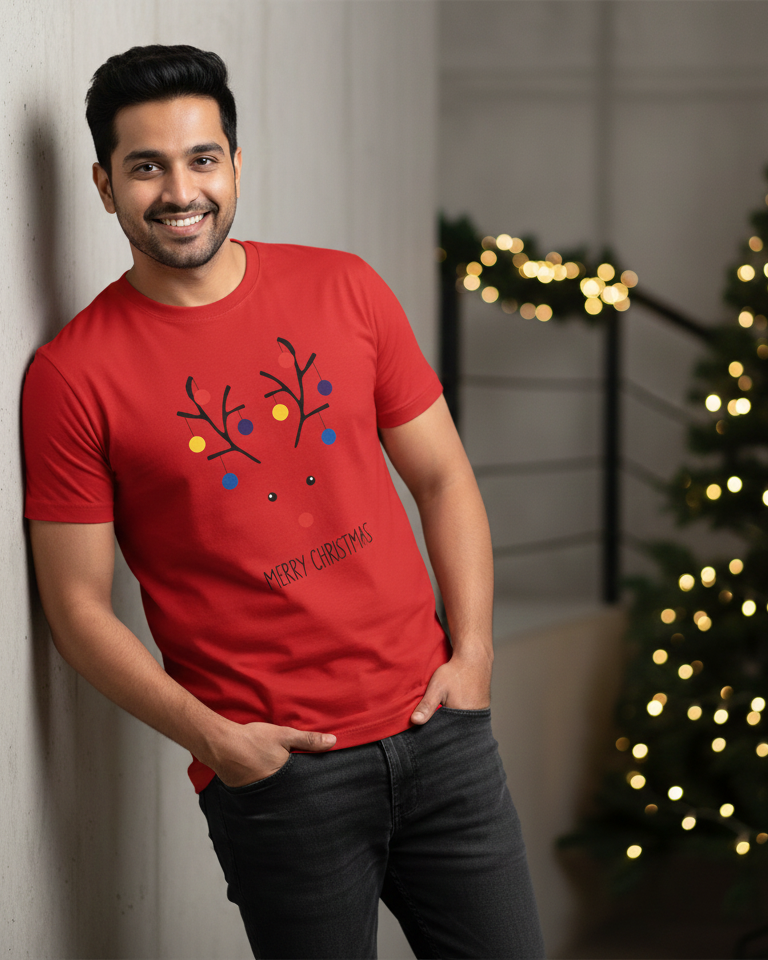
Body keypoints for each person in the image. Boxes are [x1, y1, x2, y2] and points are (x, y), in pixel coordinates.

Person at [21, 44, 544, 959]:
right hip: (280, 776)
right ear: (105, 187)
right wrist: (218, 742)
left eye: (202, 158)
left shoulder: (344, 287)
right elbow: (74, 608)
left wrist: (476, 655)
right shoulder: (73, 375)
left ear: (234, 163)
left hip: (441, 733)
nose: (179, 190)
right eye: (146, 166)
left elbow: (442, 477)